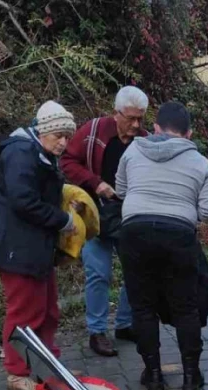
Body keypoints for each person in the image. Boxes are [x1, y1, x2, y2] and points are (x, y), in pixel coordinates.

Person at [116, 101, 208, 390]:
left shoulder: (134, 150)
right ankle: (190, 378)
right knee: (185, 308)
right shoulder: (200, 162)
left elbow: (121, 190)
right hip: (178, 235)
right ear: (188, 134)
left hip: (134, 232)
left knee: (143, 307)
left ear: (157, 128)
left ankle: (153, 375)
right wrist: (184, 212)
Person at [0, 101, 78, 390]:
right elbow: (24, 201)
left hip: (35, 249)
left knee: (48, 311)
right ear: (43, 131)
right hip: (16, 248)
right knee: (24, 312)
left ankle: (49, 367)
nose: (63, 142)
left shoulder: (40, 153)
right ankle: (16, 374)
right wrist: (63, 221)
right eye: (58, 135)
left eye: (67, 136)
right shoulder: (21, 153)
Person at [61, 86, 150, 357]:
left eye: (141, 119)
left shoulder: (145, 141)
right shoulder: (93, 131)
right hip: (94, 216)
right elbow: (67, 161)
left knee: (136, 271)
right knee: (99, 274)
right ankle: (97, 332)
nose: (136, 125)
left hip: (130, 218)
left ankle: (125, 324)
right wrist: (95, 183)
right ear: (116, 113)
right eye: (130, 118)